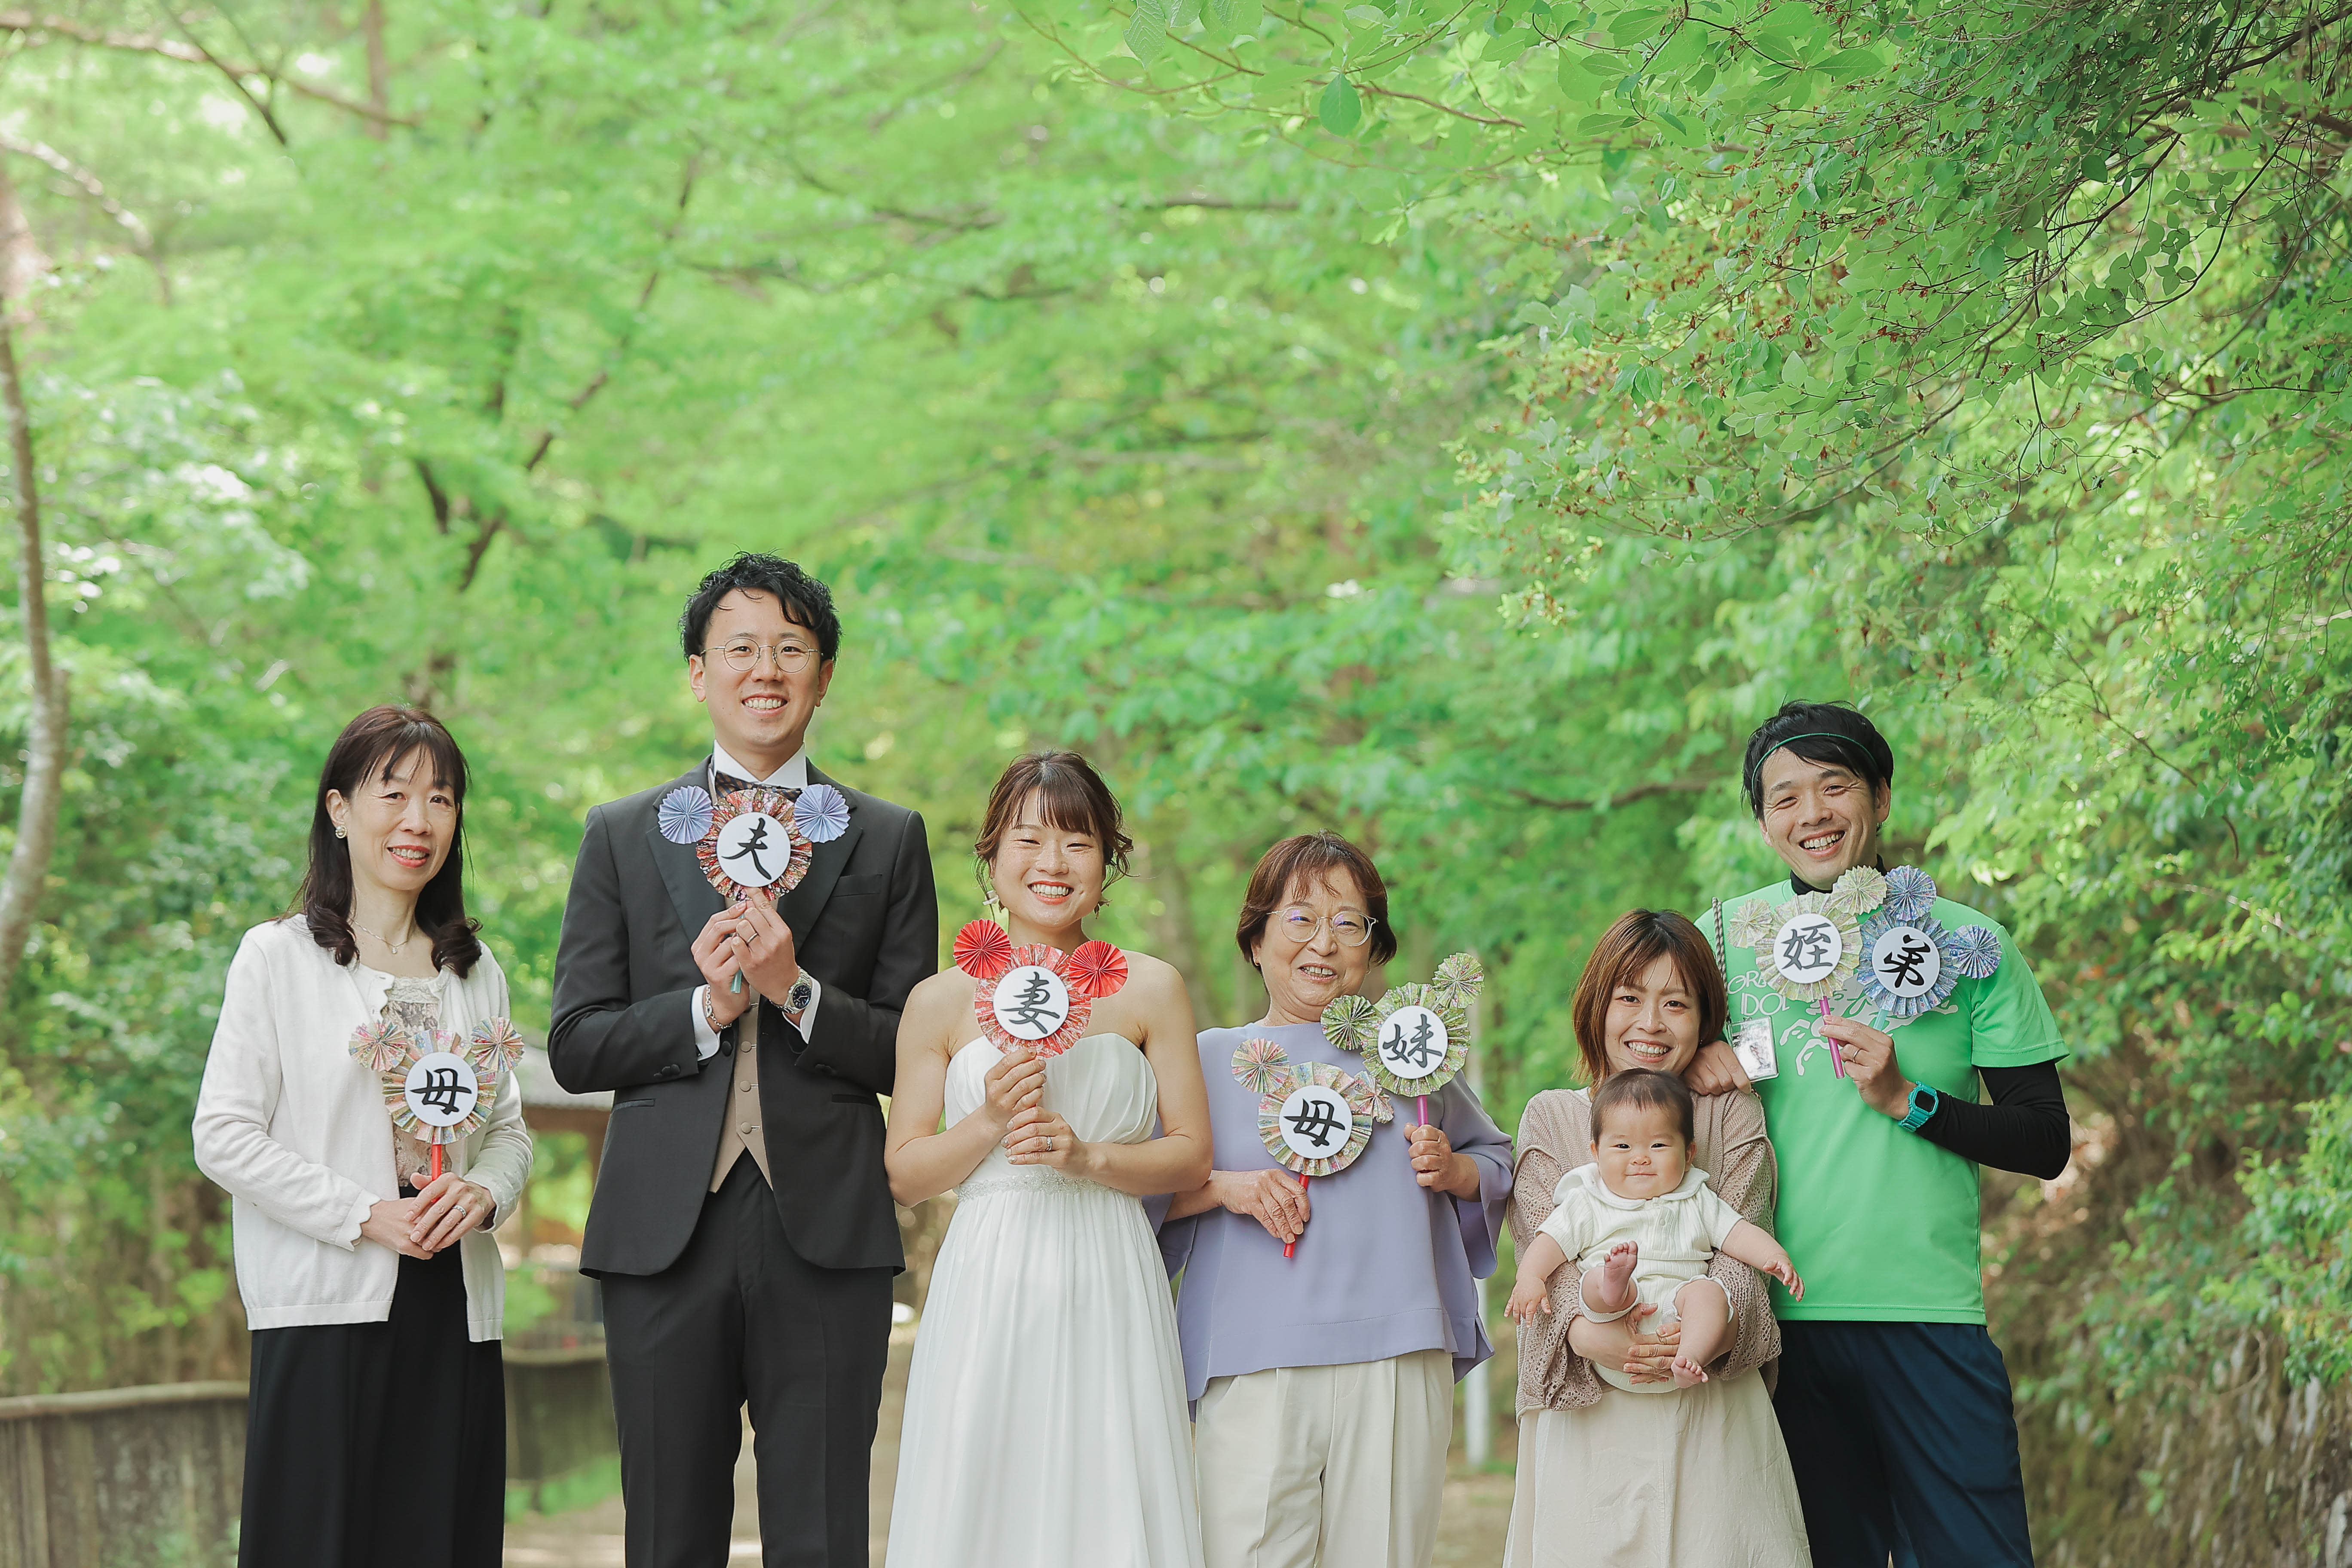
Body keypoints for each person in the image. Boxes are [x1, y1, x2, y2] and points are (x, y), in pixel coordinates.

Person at [548, 554, 937, 1568]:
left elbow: (914, 1049)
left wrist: (794, 990)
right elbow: (577, 1043)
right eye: (740, 648)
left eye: (790, 649)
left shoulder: (887, 838)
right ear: (698, 672)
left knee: (822, 1531)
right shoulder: (622, 834)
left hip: (829, 1228)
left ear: (823, 674)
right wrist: (702, 1008)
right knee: (667, 1533)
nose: (766, 669)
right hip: (660, 1234)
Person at [1684, 701, 2071, 1568]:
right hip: (1773, 1323)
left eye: (1835, 786)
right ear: (1763, 822)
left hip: (1928, 1315)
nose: (1811, 813)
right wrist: (1688, 1069)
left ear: (1882, 798)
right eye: (1785, 797)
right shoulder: (1720, 944)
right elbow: (1636, 1102)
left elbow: (2045, 1140)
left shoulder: (1967, 944)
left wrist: (1909, 1100)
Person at [193, 705, 533, 1568]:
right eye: (395, 794)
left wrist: (484, 1191)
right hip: (326, 1304)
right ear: (340, 810)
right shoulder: (277, 957)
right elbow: (223, 1135)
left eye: (441, 799)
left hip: (454, 1306)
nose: (419, 819)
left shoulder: (474, 971)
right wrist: (363, 1213)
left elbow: (508, 1132)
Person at [882, 752, 1212, 1568]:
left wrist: (1090, 1156)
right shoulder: (939, 1000)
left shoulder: (1151, 987)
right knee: (985, 1475)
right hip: (990, 1266)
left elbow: (1191, 1155)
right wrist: (989, 1119)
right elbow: (907, 1173)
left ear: (1108, 864)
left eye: (1078, 842)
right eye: (1029, 841)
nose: (1053, 863)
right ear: (992, 859)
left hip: (1109, 1262)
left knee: (1109, 1476)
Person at [1158, 831, 1512, 1568]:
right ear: (1256, 937)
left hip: (1396, 1351)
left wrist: (1453, 1169)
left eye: (1350, 922)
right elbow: (1141, 1192)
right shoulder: (1205, 1059)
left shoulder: (1408, 1049)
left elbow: (1494, 1159)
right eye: (1300, 918)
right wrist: (1225, 1187)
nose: (1324, 942)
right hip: (1252, 1359)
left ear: (1372, 947)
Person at [1506, 909, 1809, 1568]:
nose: (1650, 1023)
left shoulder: (1729, 1114)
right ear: (1596, 1006)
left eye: (1676, 1003)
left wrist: (1694, 1341)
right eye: (1629, 998)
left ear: (1704, 1020)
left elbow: (1741, 1253)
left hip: (1711, 1410)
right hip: (1588, 1419)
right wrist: (1597, 1338)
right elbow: (1544, 1256)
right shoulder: (1552, 1116)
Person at [1508, 1068, 1803, 1389]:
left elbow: (1738, 1233)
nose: (1640, 1159)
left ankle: (1690, 1358)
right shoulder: (1589, 1200)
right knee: (1593, 1282)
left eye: (1659, 1145)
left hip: (1680, 1317)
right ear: (1596, 1154)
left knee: (1709, 1293)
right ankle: (1614, 1284)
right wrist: (1530, 1277)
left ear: (1688, 1155)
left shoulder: (1696, 1197)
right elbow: (1549, 1242)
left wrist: (1774, 1256)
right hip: (1611, 1328)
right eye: (1623, 1147)